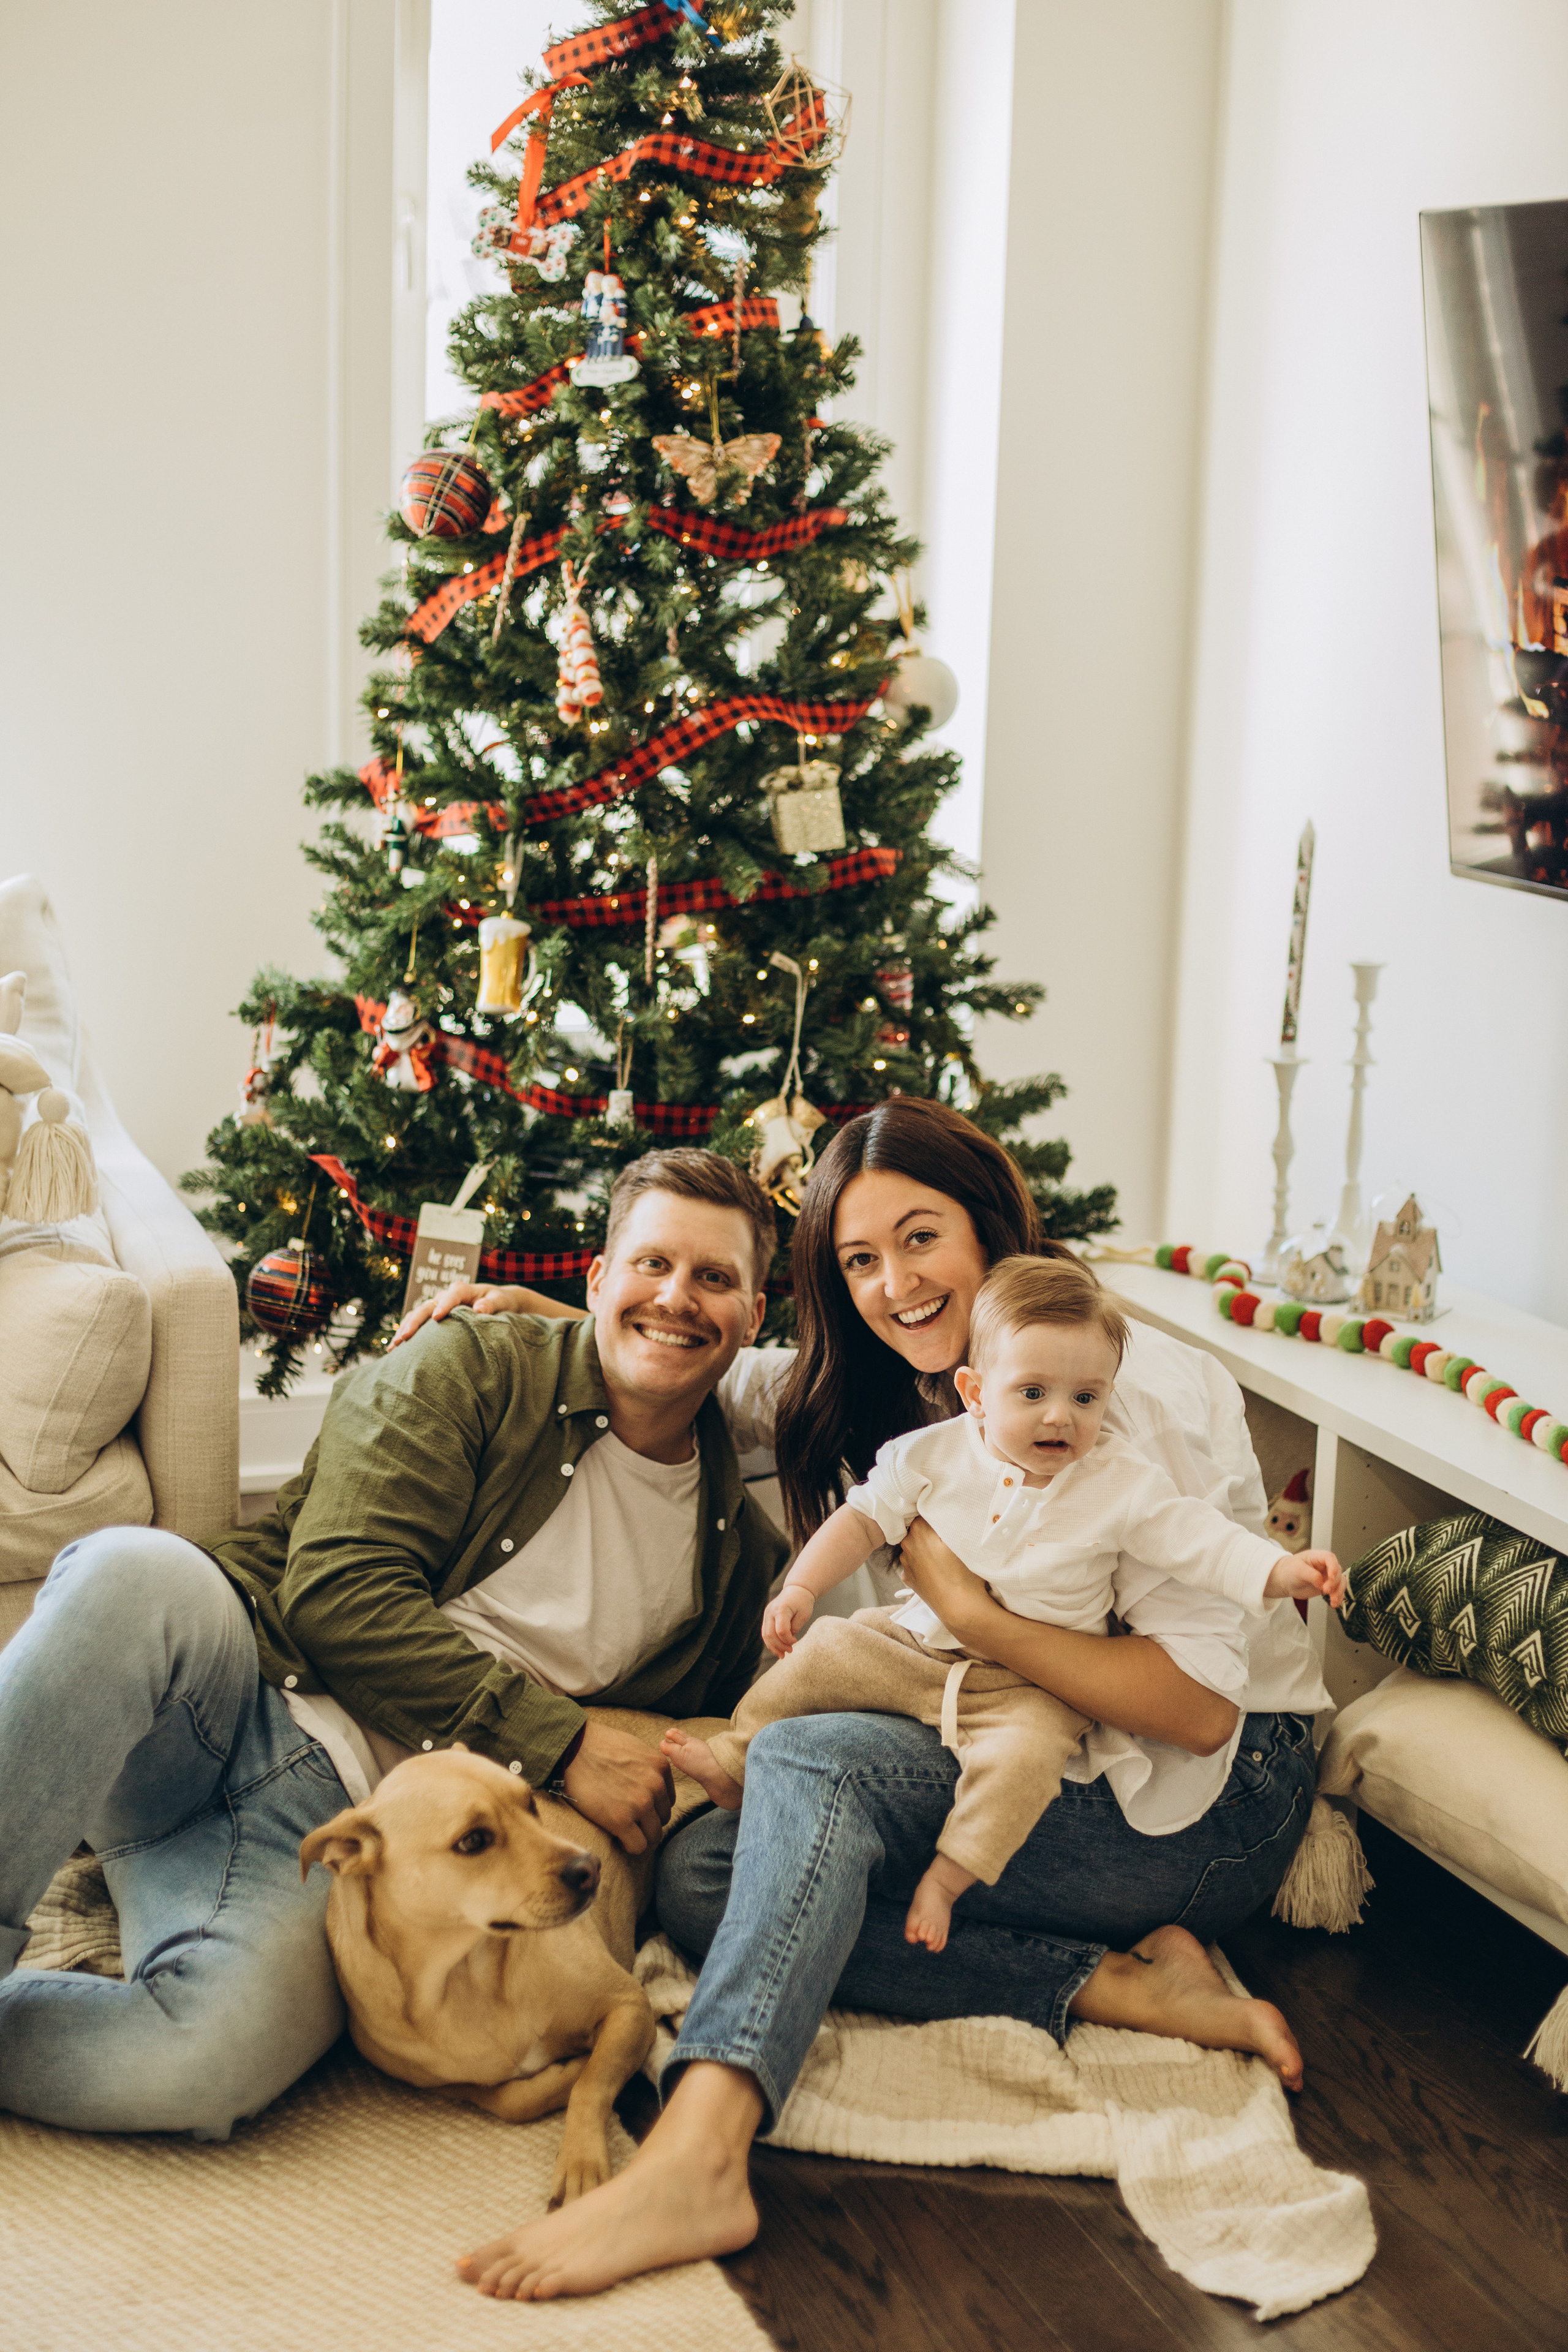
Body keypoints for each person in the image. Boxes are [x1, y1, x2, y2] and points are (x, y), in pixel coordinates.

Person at [402, 1097, 1331, 2305]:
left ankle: (700, 2149)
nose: (892, 1282)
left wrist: (986, 1619)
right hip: (1019, 1746)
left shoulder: (1118, 1392)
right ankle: (1104, 1983)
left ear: (988, 1226)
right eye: (856, 1259)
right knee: (697, 1880)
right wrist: (561, 1322)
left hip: (1208, 1798)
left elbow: (1197, 1715)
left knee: (812, 1763)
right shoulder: (910, 1381)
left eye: (918, 1236)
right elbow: (727, 1378)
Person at [0, 1148, 786, 2138]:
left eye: (715, 1278)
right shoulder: (469, 1367)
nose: (677, 1298)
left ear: (754, 1315)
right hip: (236, 1688)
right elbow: (336, 1592)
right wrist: (564, 1744)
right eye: (652, 1265)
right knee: (128, 1574)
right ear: (596, 1279)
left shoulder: (738, 1562)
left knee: (199, 2065)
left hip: (344, 1844)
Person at [663, 1253, 1341, 1951]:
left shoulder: (1122, 1481)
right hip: (916, 1650)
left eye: (1086, 1398)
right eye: (1033, 1394)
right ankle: (737, 1756)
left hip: (1033, 1689)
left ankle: (950, 1879)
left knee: (1021, 1766)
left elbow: (1203, 1543)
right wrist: (801, 1587)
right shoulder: (930, 1453)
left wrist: (1280, 1570)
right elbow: (862, 1519)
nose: (1061, 1417)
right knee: (827, 1650)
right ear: (975, 1392)